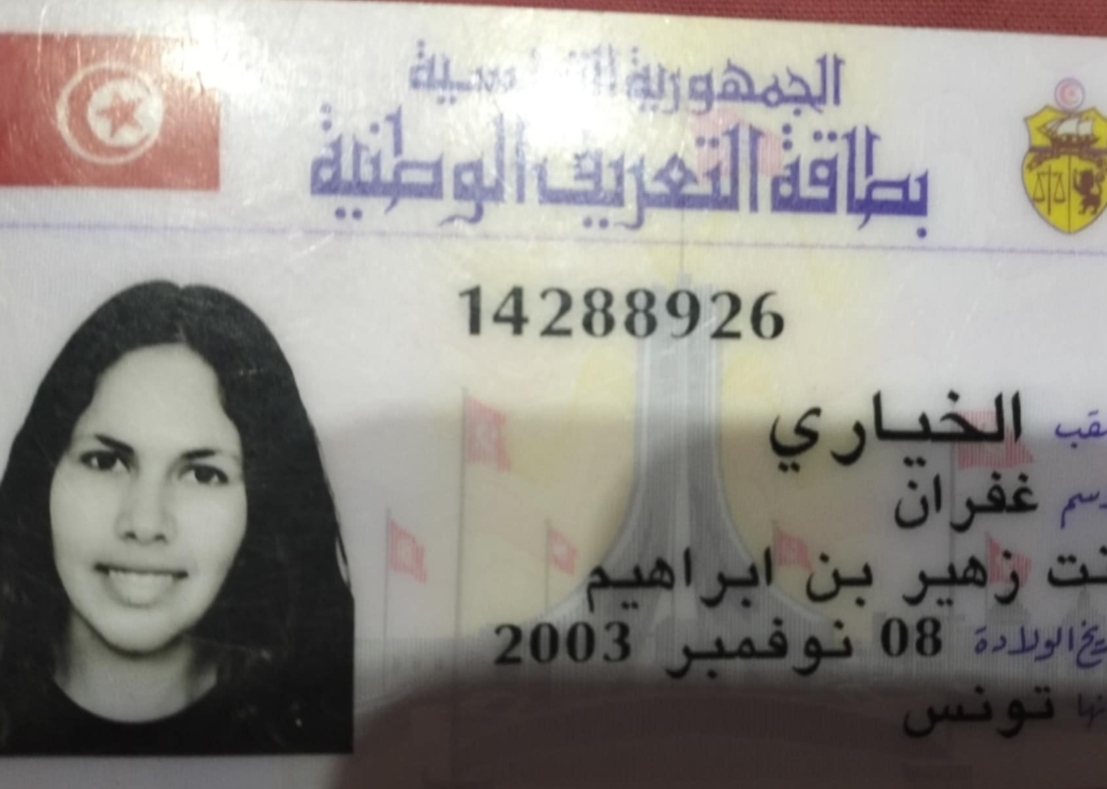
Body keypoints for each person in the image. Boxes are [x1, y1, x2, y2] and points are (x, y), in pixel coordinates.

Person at [0, 281, 354, 755]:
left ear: (262, 502)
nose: (144, 524)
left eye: (204, 474)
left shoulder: (339, 728)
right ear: (43, 474)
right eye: (105, 462)